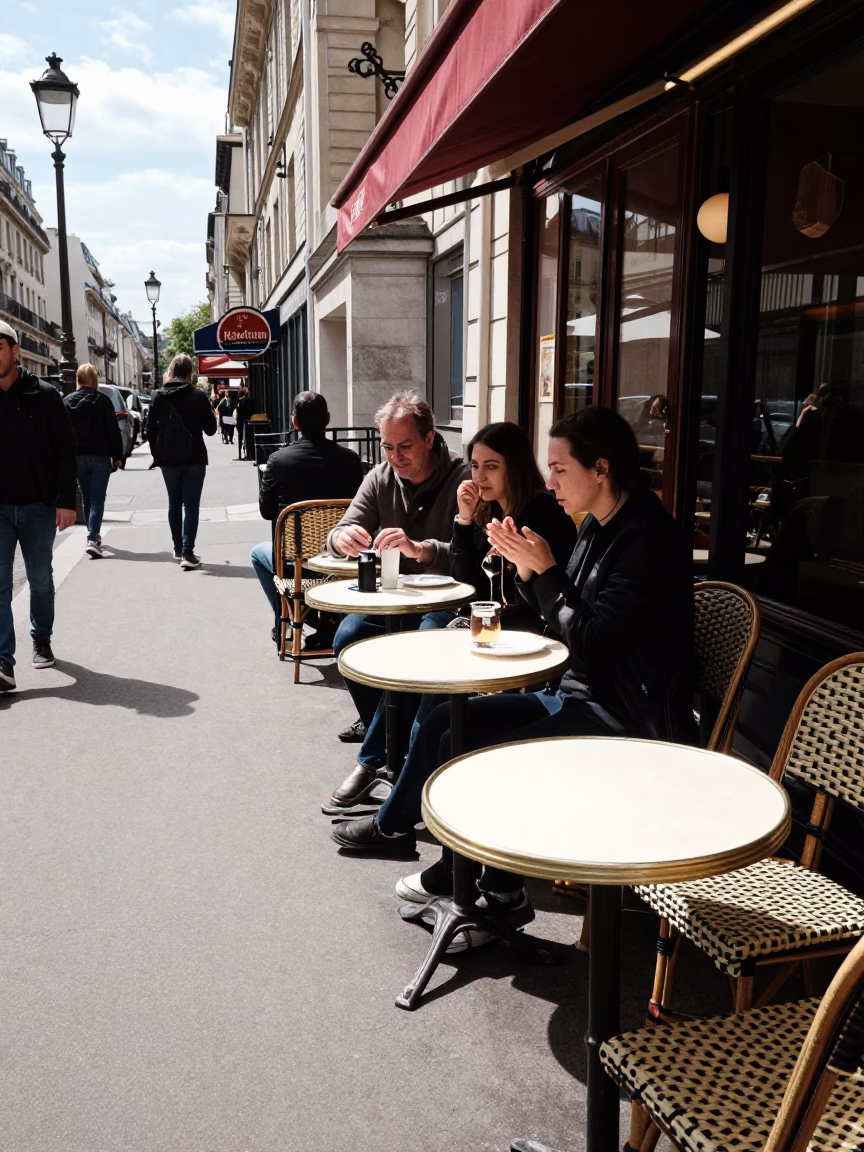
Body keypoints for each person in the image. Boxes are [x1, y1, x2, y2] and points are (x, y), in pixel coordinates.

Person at [332, 406, 696, 950]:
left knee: (479, 752)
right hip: (582, 694)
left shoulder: (645, 538)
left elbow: (588, 640)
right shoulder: (600, 524)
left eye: (559, 469)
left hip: (626, 718)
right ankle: (490, 891)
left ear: (600, 469)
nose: (550, 483)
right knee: (449, 726)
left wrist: (543, 572)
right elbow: (559, 614)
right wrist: (529, 571)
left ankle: (482, 895)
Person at [326, 391, 470, 809]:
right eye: (387, 446)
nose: (395, 456)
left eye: (405, 446)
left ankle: (375, 761)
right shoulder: (379, 477)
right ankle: (398, 749)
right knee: (347, 639)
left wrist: (422, 549)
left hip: (449, 600)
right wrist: (342, 538)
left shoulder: (463, 476)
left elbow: (473, 553)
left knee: (419, 652)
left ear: (430, 438)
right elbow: (342, 529)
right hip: (394, 600)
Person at [251, 390, 364, 647]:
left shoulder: (278, 461)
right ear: (328, 419)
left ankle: (288, 620)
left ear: (294, 423)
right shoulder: (350, 460)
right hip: (341, 562)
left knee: (259, 553)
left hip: (296, 564)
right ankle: (327, 623)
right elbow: (361, 509)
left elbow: (267, 511)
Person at [0, 320, 77, 689]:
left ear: (14, 351)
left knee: (41, 580)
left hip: (38, 507)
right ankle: (3, 662)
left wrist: (67, 502)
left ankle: (41, 638)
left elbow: (65, 451)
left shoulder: (44, 395)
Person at [146, 353, 217, 569]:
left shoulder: (158, 395)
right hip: (194, 457)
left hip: (168, 459)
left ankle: (177, 548)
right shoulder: (198, 395)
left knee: (174, 503)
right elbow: (211, 430)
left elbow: (150, 429)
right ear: (190, 374)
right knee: (191, 505)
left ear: (172, 371)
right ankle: (188, 552)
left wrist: (156, 454)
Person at [64, 363, 124, 559]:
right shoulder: (103, 401)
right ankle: (92, 538)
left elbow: (61, 434)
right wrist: (117, 456)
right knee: (98, 499)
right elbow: (113, 431)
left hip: (77, 457)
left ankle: (93, 536)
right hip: (99, 456)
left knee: (87, 498)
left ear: (78, 380)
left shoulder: (67, 402)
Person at [235, 385, 256, 460]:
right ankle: (247, 454)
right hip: (246, 421)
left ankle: (245, 454)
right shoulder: (247, 401)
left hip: (243, 421)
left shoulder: (242, 402)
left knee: (244, 438)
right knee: (245, 438)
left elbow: (240, 413)